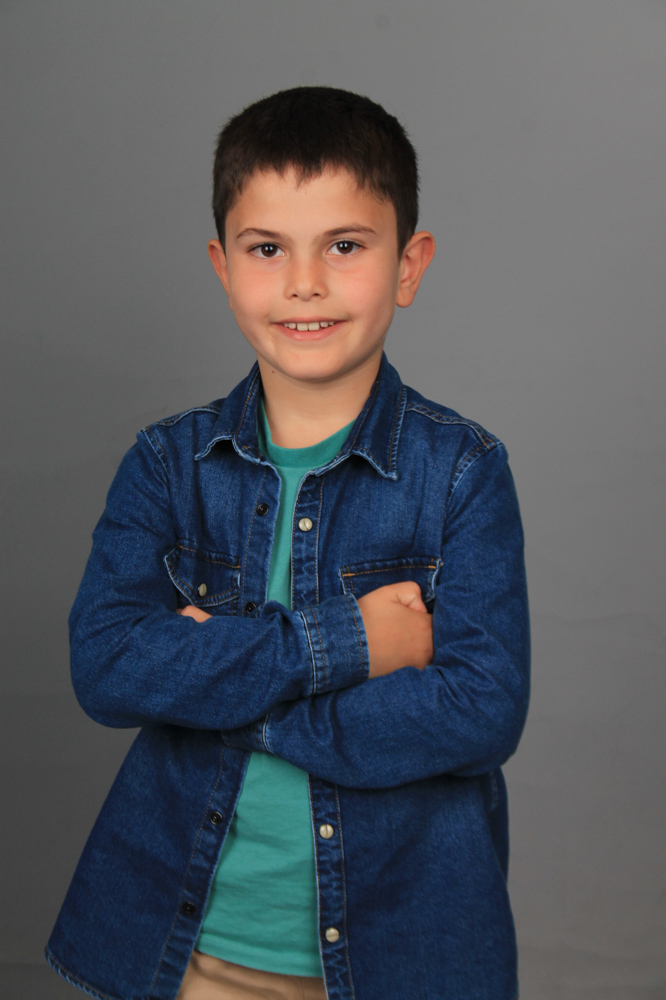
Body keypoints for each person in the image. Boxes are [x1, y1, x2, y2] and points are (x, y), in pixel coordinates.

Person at [45, 87, 530, 1000]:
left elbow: (479, 710)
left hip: (405, 956)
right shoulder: (167, 464)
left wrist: (224, 691)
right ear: (223, 267)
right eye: (267, 249)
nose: (305, 282)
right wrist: (350, 643)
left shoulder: (462, 471)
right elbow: (107, 665)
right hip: (193, 953)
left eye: (344, 246)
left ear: (409, 265)